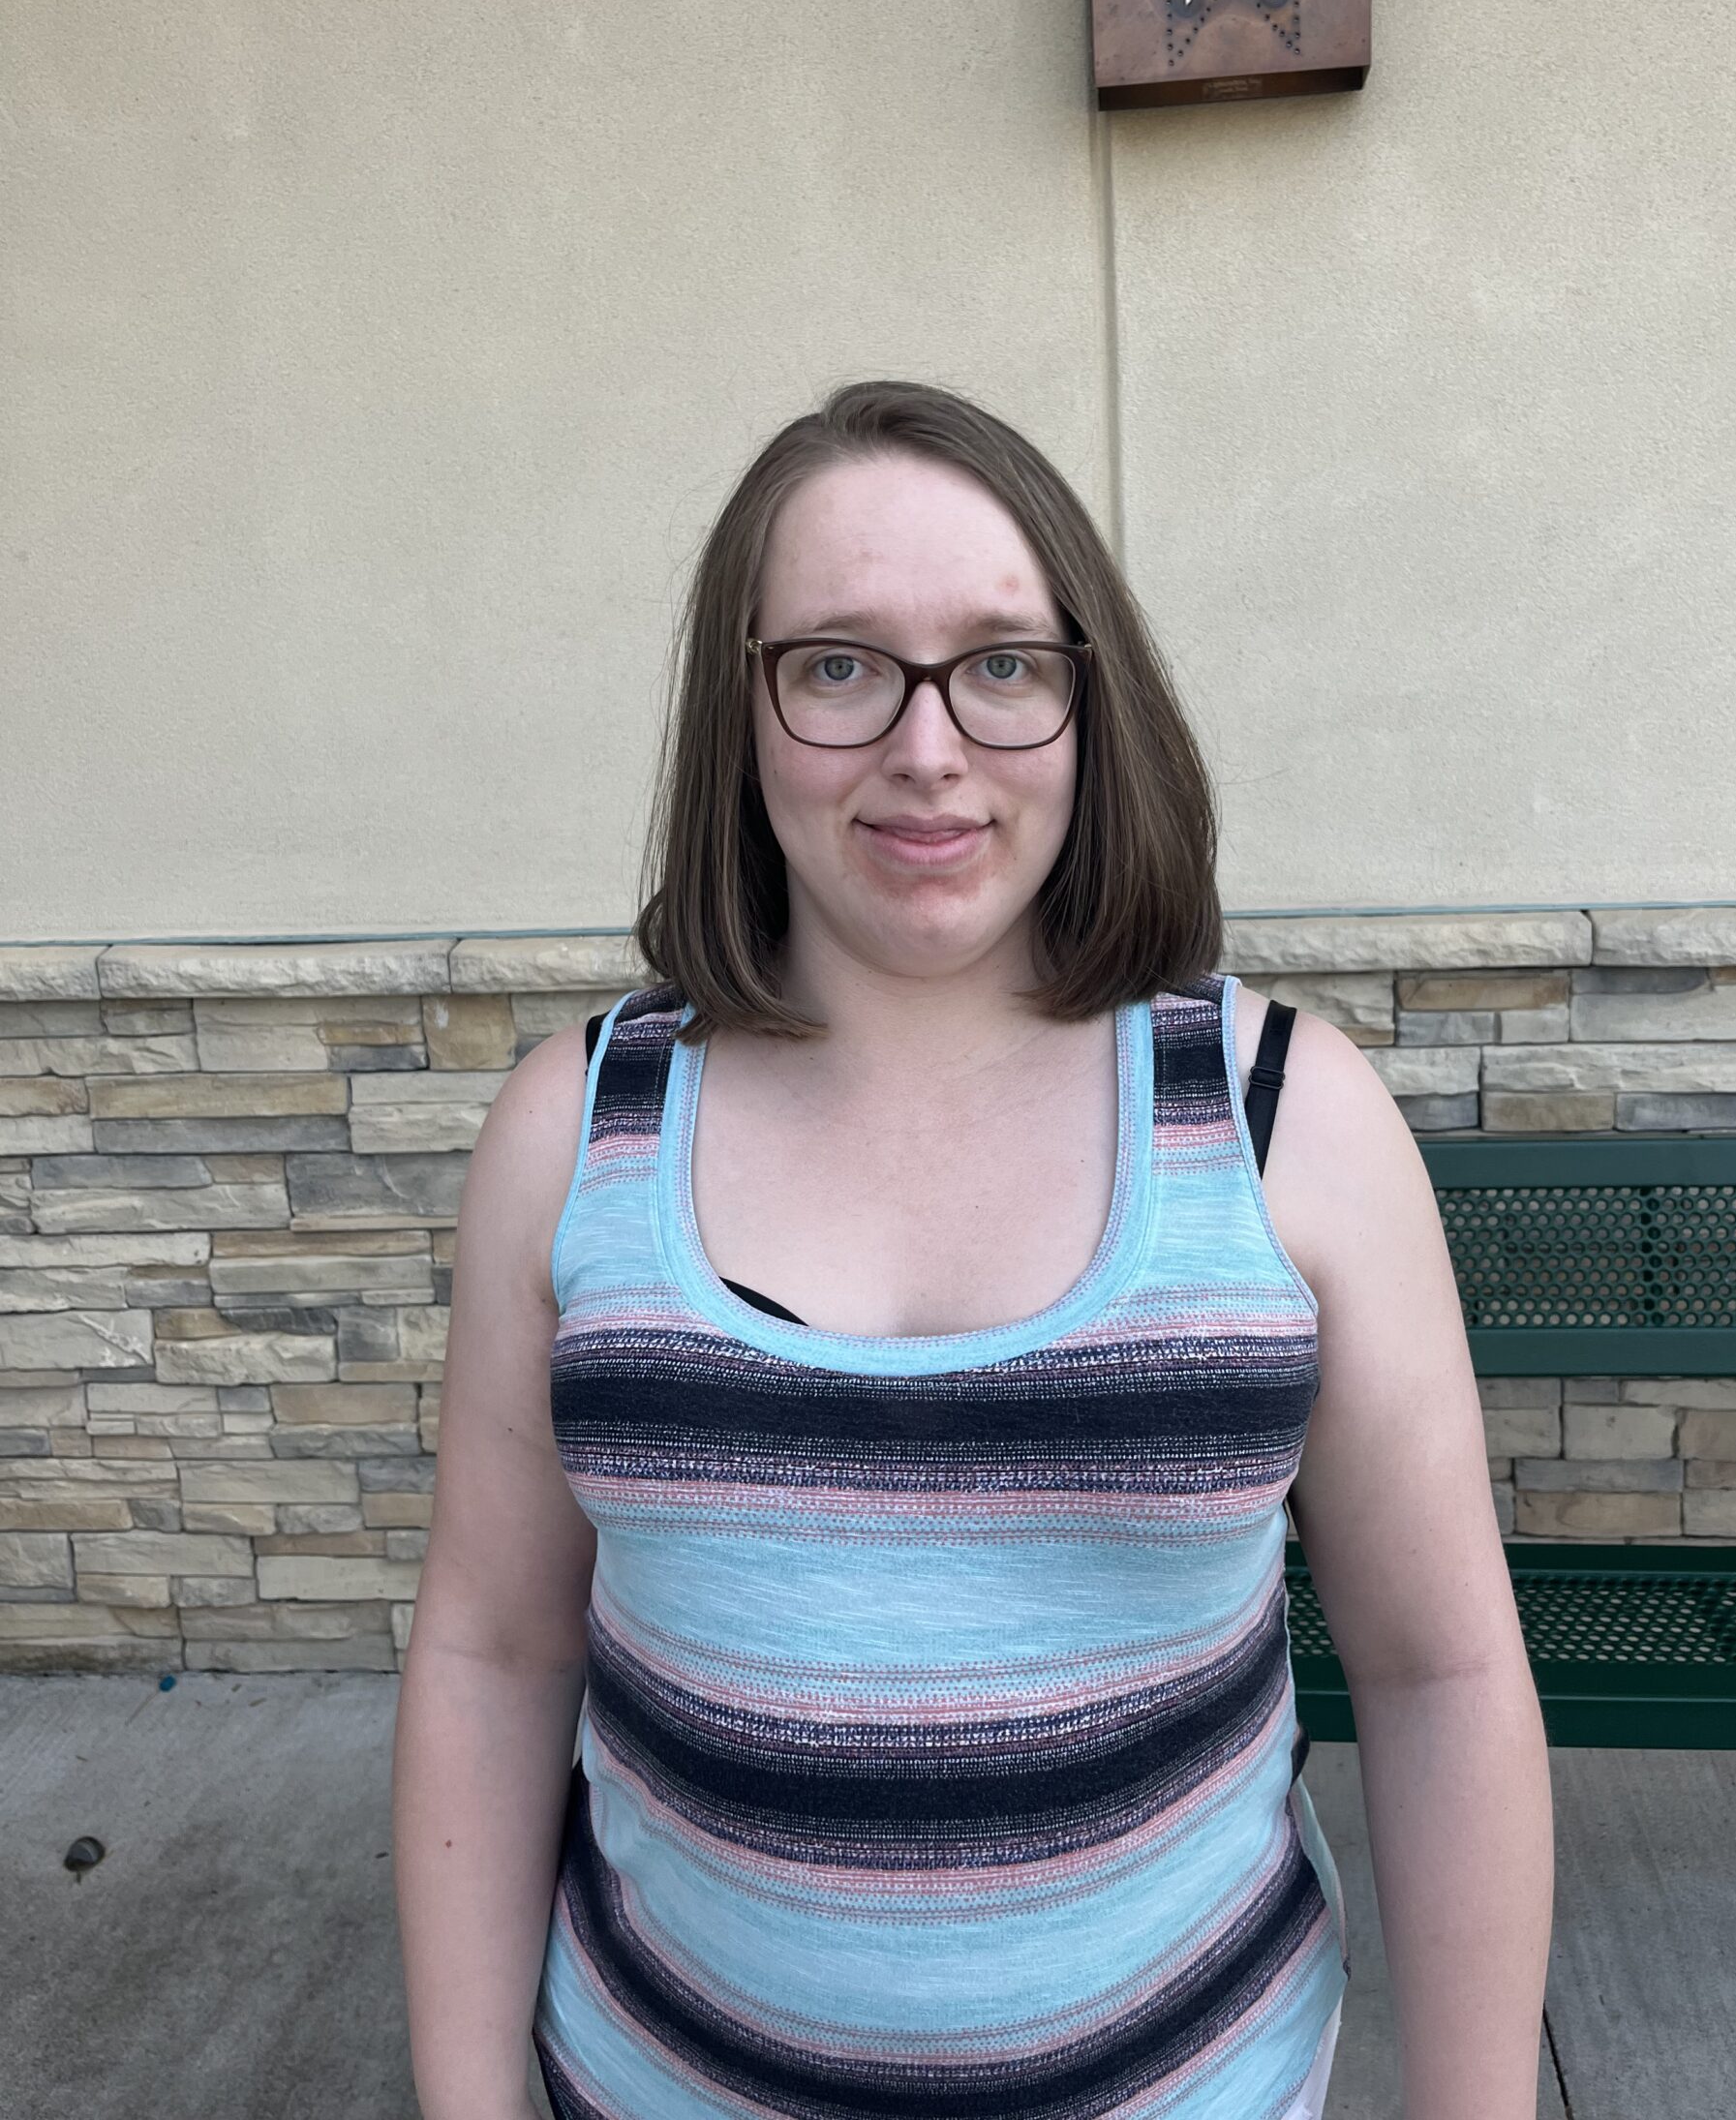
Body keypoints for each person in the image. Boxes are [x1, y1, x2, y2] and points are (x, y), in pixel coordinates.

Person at [393, 380, 1554, 2120]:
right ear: (742, 712)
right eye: (839, 665)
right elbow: (493, 1654)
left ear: (1091, 703)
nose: (928, 748)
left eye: (1002, 663)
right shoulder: (577, 1133)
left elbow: (1441, 1675)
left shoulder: (1286, 1124)